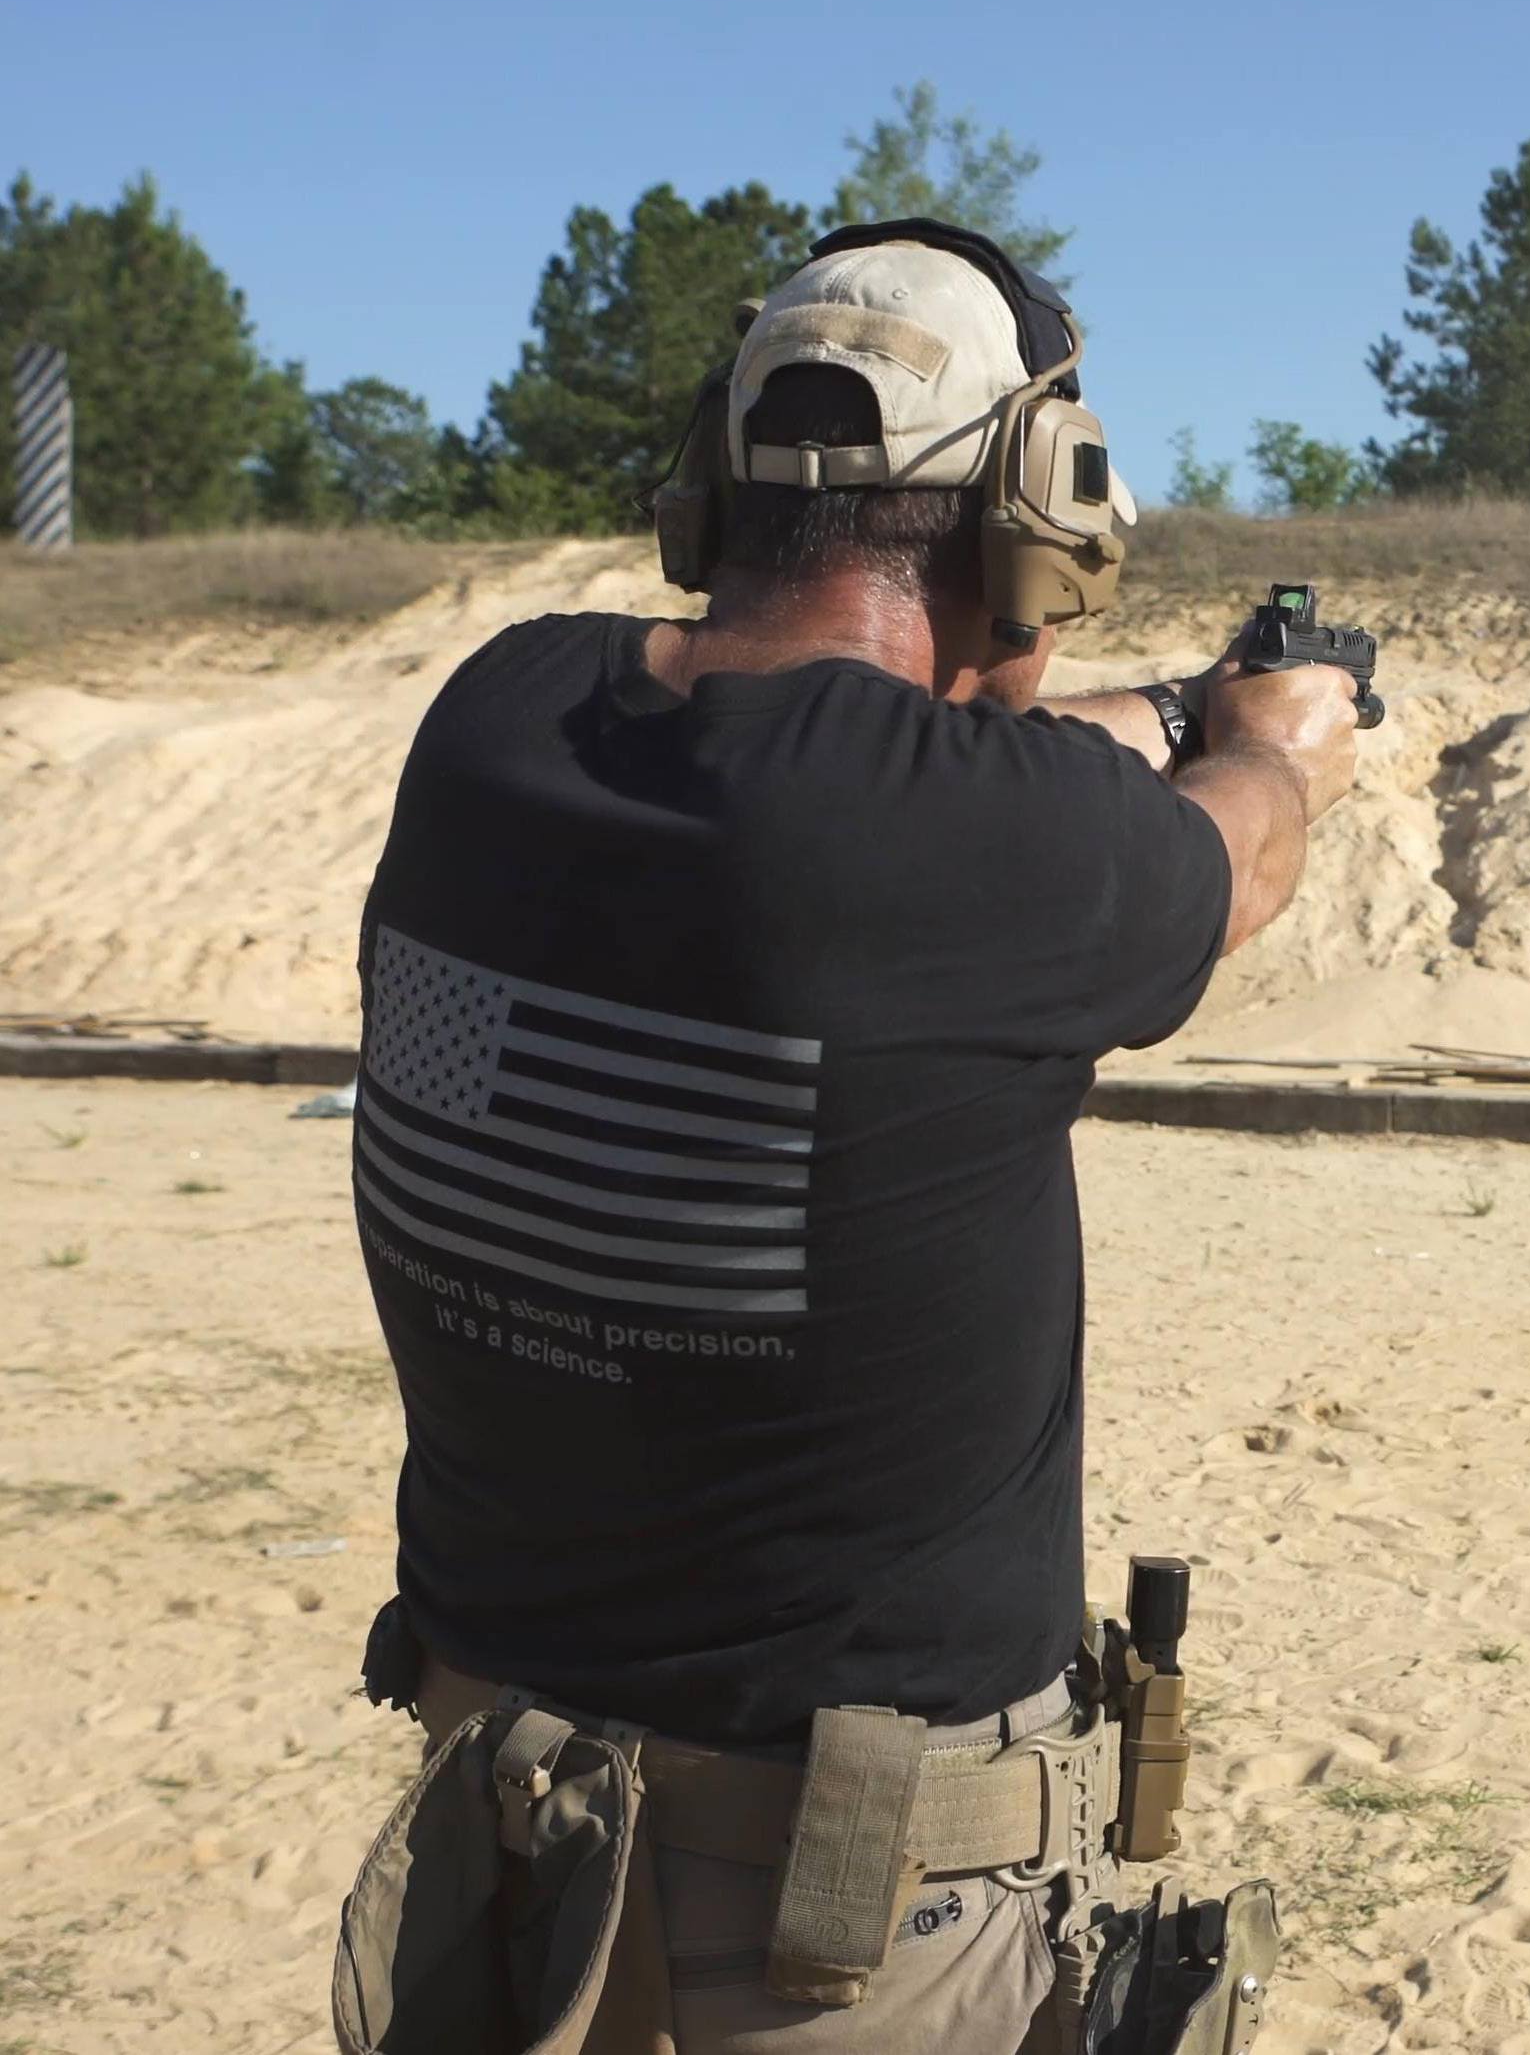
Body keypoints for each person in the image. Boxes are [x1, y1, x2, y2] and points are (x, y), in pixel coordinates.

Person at [330, 220, 1353, 2054]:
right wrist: (1270, 737)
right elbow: (1234, 848)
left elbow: (893, 773)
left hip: (501, 1870)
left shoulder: (497, 720)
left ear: (715, 484)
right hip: (843, 1928)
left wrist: (1164, 712)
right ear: (1041, 503)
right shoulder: (990, 852)